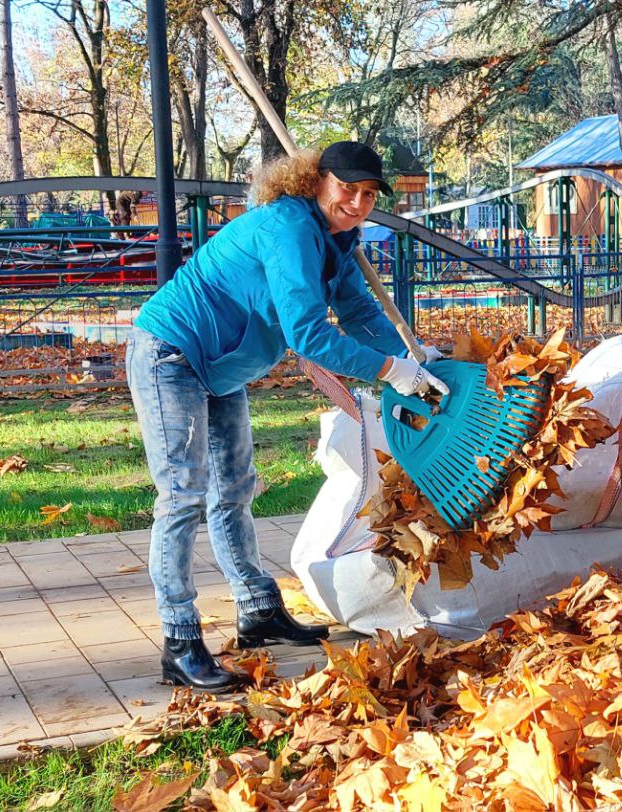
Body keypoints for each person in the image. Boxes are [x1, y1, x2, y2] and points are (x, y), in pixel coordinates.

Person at [126, 141, 448, 691]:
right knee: (182, 495)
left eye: (369, 194)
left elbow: (358, 311)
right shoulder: (289, 226)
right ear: (316, 181)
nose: (358, 202)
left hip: (221, 366)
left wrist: (416, 356)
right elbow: (308, 335)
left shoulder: (338, 238)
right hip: (171, 353)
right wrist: (393, 371)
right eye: (347, 188)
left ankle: (257, 610)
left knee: (233, 489)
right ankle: (179, 641)